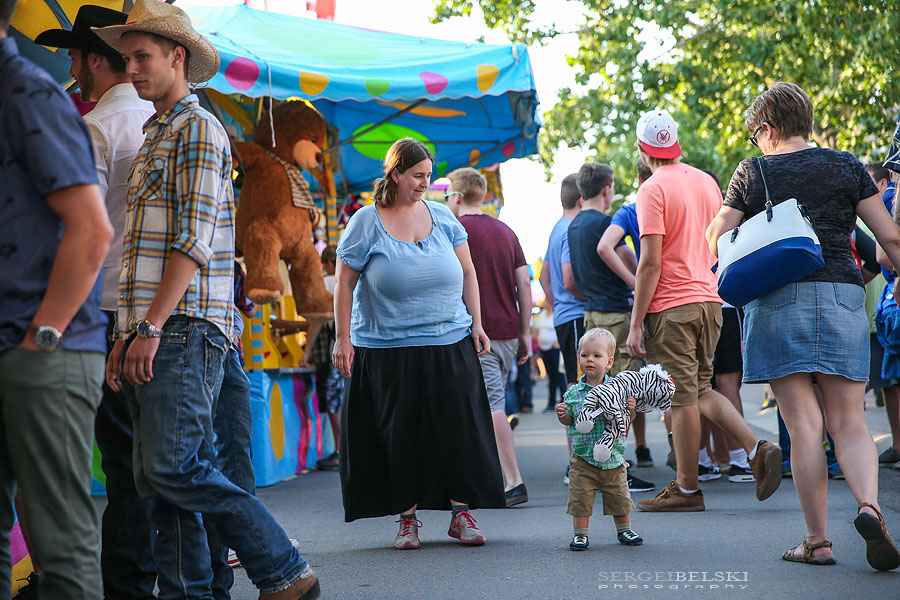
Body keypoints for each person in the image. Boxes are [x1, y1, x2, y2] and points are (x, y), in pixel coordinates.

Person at [95, 1, 320, 598]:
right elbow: (141, 251)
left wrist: (146, 328)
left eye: (143, 57)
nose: (133, 69)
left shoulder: (197, 127)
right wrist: (128, 332)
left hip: (183, 327)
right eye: (127, 58)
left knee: (171, 469)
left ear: (179, 58)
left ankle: (282, 567)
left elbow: (190, 242)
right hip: (159, 324)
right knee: (156, 481)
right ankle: (191, 592)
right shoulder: (155, 130)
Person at [706, 82, 900, 570]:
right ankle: (869, 506)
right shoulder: (848, 165)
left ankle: (818, 541)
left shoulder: (753, 171)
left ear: (767, 129)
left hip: (778, 302)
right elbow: (890, 236)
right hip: (841, 293)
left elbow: (716, 237)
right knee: (850, 422)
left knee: (804, 427)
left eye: (756, 134)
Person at [35, 6, 160, 596]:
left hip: (107, 305)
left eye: (74, 55)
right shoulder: (166, 121)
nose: (69, 66)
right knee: (157, 457)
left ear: (92, 58)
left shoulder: (97, 128)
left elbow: (74, 229)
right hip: (160, 308)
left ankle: (127, 583)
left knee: (120, 460)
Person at [333, 138, 504, 550]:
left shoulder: (444, 217)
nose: (426, 183)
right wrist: (343, 337)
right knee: (400, 435)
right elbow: (344, 282)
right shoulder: (365, 221)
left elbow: (468, 271)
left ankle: (461, 514)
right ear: (395, 174)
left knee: (457, 430)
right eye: (418, 176)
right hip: (385, 347)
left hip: (450, 341)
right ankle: (406, 519)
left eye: (429, 175)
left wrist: (477, 324)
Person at [0, 0, 114, 596]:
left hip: (43, 342)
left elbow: (93, 229)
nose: (73, 63)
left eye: (78, 52)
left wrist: (43, 336)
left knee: (60, 543)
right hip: (28, 339)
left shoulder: (30, 93)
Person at [626, 108, 782, 513]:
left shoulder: (651, 189)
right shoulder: (706, 181)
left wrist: (635, 323)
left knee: (680, 398)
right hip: (712, 301)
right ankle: (755, 445)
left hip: (672, 306)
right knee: (700, 389)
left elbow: (650, 262)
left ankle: (687, 488)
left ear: (644, 150)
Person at [445, 166, 531, 508]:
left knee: (491, 406)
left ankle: (513, 481)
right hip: (508, 330)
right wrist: (525, 331)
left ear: (457, 196)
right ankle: (486, 478)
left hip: (474, 333)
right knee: (487, 405)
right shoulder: (506, 231)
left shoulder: (452, 230)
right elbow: (523, 283)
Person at [568, 162, 654, 493]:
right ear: (607, 189)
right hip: (617, 314)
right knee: (622, 394)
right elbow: (630, 260)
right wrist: (636, 283)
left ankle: (595, 461)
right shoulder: (606, 223)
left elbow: (571, 278)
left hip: (592, 314)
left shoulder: (574, 225)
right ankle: (616, 465)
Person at [557, 328, 642, 551]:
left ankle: (624, 529)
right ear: (578, 359)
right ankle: (580, 534)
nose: (590, 360)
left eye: (597, 356)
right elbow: (570, 421)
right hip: (583, 458)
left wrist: (631, 411)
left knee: (619, 496)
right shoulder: (573, 393)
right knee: (580, 499)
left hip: (612, 457)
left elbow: (624, 422)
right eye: (584, 355)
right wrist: (564, 415)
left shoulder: (618, 389)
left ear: (609, 362)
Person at [539, 174, 585, 484]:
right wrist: (585, 299)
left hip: (564, 317)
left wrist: (558, 305)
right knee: (583, 389)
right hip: (577, 315)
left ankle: (576, 462)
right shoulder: (572, 230)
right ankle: (580, 464)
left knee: (574, 387)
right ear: (582, 199)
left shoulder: (556, 228)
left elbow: (544, 278)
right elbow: (568, 279)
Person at [867, 162, 900, 465]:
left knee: (893, 379)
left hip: (896, 297)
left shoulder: (890, 199)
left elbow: (881, 255)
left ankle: (898, 445)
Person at [534, 303, 567, 412]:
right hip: (544, 348)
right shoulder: (543, 314)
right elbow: (538, 329)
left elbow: (562, 329)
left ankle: (564, 401)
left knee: (559, 375)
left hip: (555, 348)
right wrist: (539, 341)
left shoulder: (557, 313)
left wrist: (559, 342)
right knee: (551, 376)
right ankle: (551, 403)